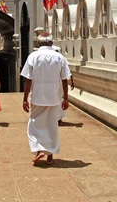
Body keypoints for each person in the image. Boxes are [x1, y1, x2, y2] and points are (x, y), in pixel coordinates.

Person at [21, 32, 71, 165]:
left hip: (37, 96)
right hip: (54, 97)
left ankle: (39, 149)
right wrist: (65, 98)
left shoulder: (33, 56)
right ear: (51, 43)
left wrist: (25, 99)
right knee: (52, 126)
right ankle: (50, 156)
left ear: (39, 43)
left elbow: (28, 80)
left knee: (34, 124)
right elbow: (65, 80)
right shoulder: (59, 57)